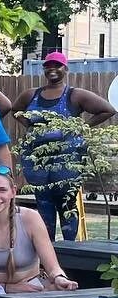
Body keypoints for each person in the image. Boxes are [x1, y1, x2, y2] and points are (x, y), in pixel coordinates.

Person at [14, 51, 115, 240]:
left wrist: (80, 128)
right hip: (37, 162)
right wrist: (30, 127)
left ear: (65, 69)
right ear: (44, 69)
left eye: (57, 65)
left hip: (67, 162)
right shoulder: (31, 95)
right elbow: (15, 110)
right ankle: (47, 249)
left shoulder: (74, 95)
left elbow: (107, 110)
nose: (52, 69)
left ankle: (70, 250)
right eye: (48, 66)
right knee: (43, 203)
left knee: (67, 203)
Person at [0, 167, 80, 293]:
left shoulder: (30, 219)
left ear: (13, 191)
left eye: (2, 190)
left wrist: (59, 277)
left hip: (32, 288)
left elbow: (53, 267)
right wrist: (9, 288)